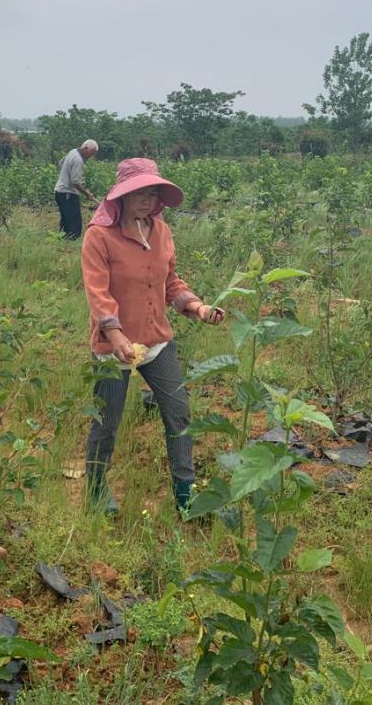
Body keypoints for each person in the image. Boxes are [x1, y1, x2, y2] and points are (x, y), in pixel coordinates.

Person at [80, 158, 225, 513]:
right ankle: (96, 490)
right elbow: (98, 293)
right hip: (114, 347)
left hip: (157, 341)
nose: (146, 200)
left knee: (178, 413)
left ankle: (185, 494)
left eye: (152, 193)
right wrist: (115, 337)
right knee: (107, 422)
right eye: (138, 193)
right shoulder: (100, 237)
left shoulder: (161, 232)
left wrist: (198, 308)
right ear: (122, 197)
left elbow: (171, 283)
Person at [54, 139, 99, 239]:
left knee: (66, 218)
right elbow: (75, 182)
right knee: (74, 223)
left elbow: (61, 163)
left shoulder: (72, 151)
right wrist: (87, 194)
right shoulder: (78, 160)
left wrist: (65, 175)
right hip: (68, 194)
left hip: (59, 192)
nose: (91, 156)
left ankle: (62, 239)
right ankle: (70, 241)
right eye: (91, 153)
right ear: (85, 148)